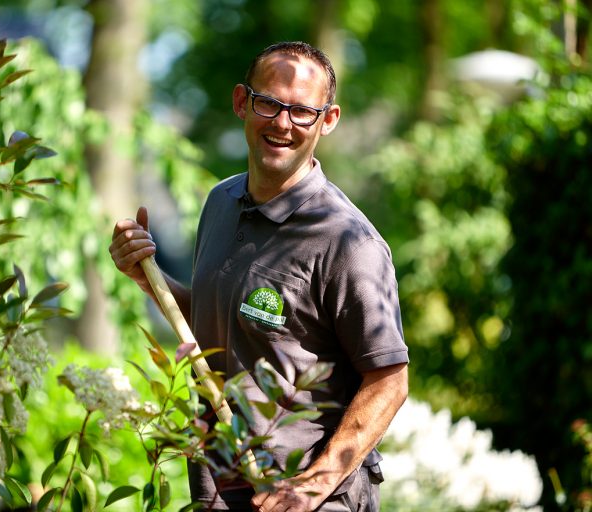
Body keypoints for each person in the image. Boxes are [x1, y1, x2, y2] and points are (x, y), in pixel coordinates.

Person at [109, 41, 409, 512]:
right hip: (219, 483)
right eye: (269, 102)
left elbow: (389, 380)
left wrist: (313, 485)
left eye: (302, 111)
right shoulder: (220, 204)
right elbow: (217, 321)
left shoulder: (349, 243)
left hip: (312, 496)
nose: (282, 123)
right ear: (241, 103)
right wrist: (150, 279)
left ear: (327, 121)